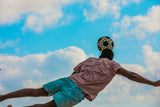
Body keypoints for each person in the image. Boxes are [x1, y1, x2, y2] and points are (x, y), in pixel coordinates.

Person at [0, 37, 160, 107]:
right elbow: (131, 75)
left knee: (38, 91)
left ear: (100, 53)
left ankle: (4, 96)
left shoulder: (90, 59)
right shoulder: (113, 65)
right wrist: (152, 83)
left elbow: (76, 70)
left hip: (68, 80)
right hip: (76, 91)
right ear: (111, 57)